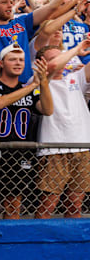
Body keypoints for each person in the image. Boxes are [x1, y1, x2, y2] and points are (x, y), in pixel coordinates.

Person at [0, 44, 53, 220]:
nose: (18, 63)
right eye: (12, 59)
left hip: (18, 154)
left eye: (21, 60)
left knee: (13, 206)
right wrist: (32, 85)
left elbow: (47, 110)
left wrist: (44, 82)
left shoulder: (31, 90)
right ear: (1, 63)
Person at [34, 40, 90, 219]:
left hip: (82, 147)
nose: (61, 61)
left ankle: (71, 245)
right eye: (54, 58)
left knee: (75, 205)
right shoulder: (37, 80)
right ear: (40, 63)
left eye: (61, 56)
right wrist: (76, 49)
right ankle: (39, 242)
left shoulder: (75, 77)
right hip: (53, 149)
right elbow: (52, 67)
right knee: (48, 205)